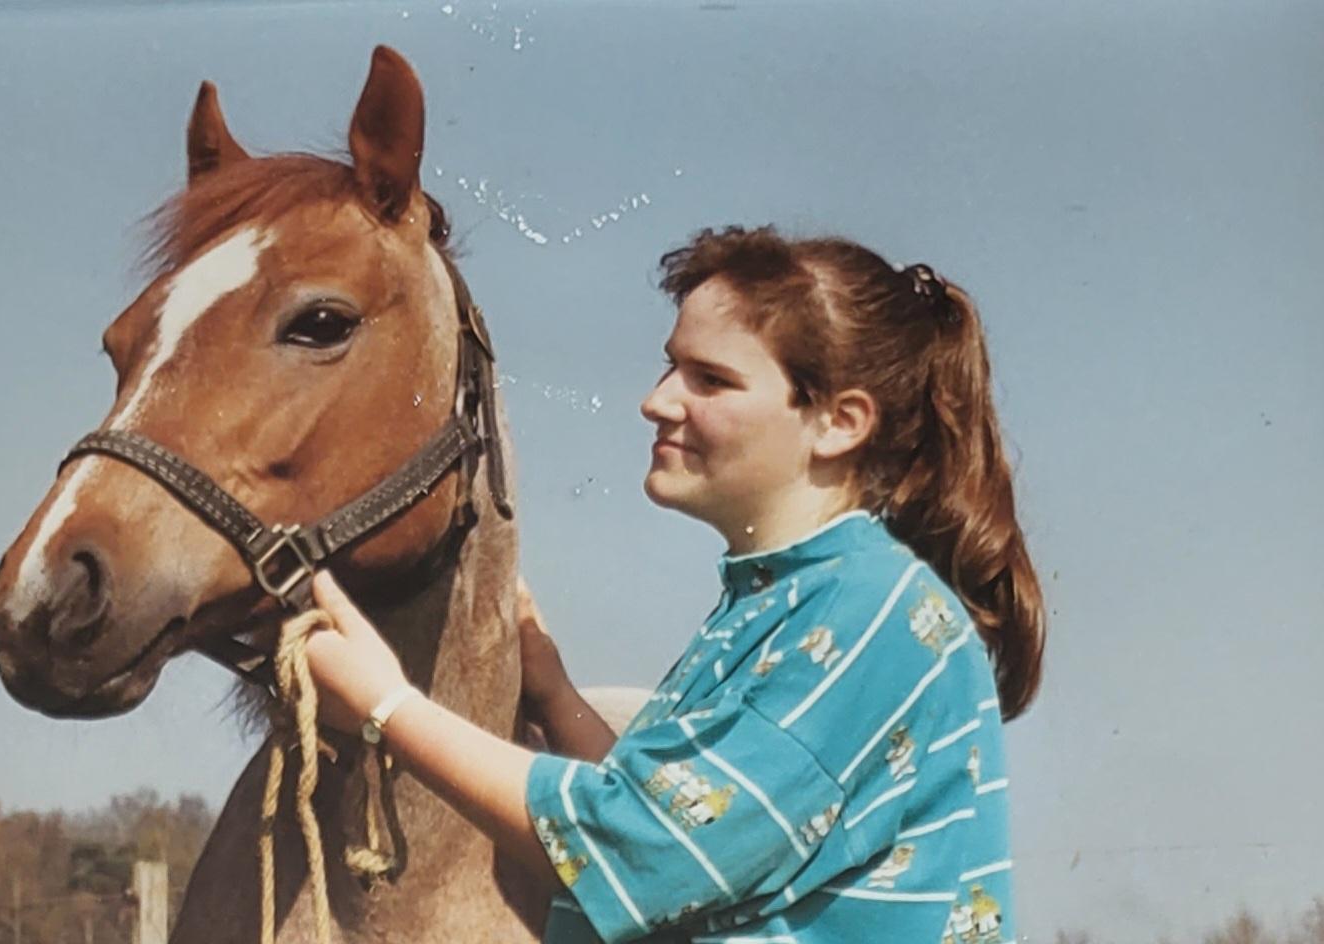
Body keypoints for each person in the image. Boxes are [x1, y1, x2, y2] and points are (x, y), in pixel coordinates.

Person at [303, 224, 1045, 943]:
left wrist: (385, 703)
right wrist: (556, 697)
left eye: (710, 380)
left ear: (838, 423)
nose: (656, 401)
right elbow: (695, 831)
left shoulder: (872, 616)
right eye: (670, 366)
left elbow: (640, 850)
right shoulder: (789, 600)